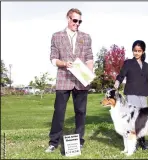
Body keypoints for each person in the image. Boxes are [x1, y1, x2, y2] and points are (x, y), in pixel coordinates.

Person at [45, 8, 93, 153]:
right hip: (63, 79)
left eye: (79, 21)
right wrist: (64, 64)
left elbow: (89, 58)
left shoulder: (86, 37)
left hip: (81, 80)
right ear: (68, 18)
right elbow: (53, 59)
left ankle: (79, 141)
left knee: (80, 112)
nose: (77, 24)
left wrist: (90, 74)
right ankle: (53, 142)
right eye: (74, 20)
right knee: (59, 112)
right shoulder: (56, 36)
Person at [114, 40, 148, 150]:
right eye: (135, 51)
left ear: (143, 51)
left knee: (143, 119)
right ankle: (133, 142)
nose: (136, 53)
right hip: (131, 93)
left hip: (143, 94)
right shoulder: (128, 63)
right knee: (133, 119)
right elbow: (121, 75)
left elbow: (146, 82)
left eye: (139, 51)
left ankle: (142, 142)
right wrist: (117, 83)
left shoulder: (146, 65)